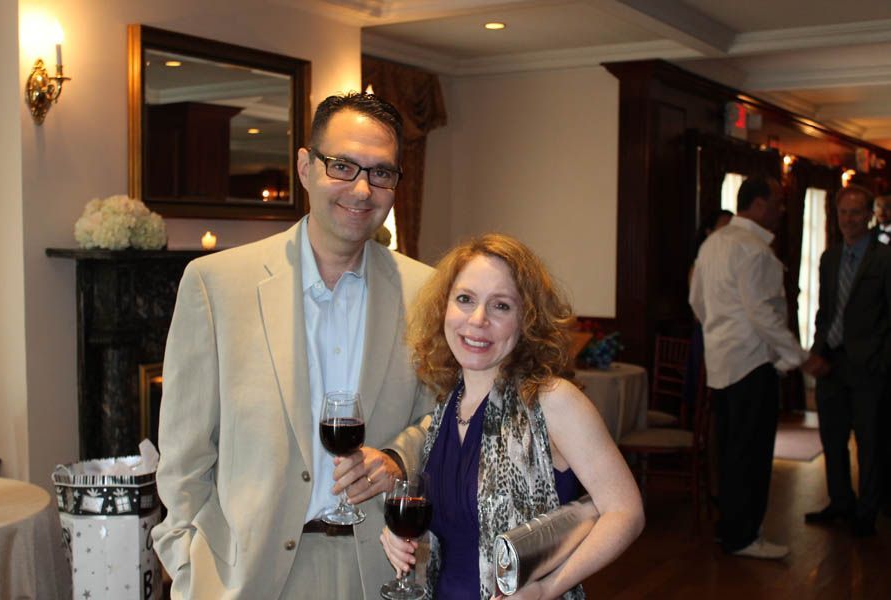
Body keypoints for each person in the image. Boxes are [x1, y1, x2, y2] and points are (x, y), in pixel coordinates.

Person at [152, 92, 435, 599]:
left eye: (381, 173)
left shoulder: (426, 292)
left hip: (380, 568)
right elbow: (184, 455)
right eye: (342, 165)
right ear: (305, 167)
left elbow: (445, 419)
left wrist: (396, 456)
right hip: (248, 577)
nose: (362, 189)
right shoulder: (216, 285)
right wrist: (191, 565)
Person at [380, 234, 644, 599]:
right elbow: (455, 528)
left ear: (527, 320)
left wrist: (549, 588)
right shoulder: (447, 405)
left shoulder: (551, 401)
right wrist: (401, 537)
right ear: (444, 307)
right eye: (465, 299)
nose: (478, 320)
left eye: (501, 306)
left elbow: (626, 512)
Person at [689, 176, 819, 560]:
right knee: (752, 454)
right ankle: (744, 536)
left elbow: (696, 301)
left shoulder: (713, 243)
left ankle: (730, 529)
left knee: (730, 451)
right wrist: (799, 357)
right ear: (759, 205)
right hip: (752, 363)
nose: (781, 210)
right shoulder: (754, 250)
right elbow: (762, 314)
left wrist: (718, 336)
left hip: (721, 363)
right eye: (777, 203)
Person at [804, 184, 891, 537]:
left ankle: (867, 512)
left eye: (856, 213)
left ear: (870, 215)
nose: (849, 220)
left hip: (869, 365)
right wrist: (816, 350)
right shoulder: (830, 257)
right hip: (831, 363)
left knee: (870, 442)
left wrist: (882, 362)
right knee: (832, 438)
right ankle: (840, 501)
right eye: (843, 213)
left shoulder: (885, 259)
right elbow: (826, 311)